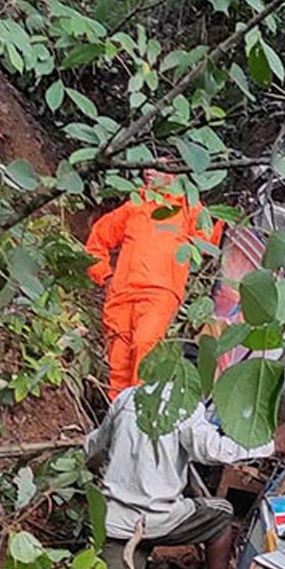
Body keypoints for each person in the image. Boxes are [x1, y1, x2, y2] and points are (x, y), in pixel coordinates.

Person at [84, 388, 285, 569]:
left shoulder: (128, 397)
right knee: (222, 516)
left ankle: (131, 568)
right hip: (157, 519)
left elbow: (95, 447)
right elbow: (212, 450)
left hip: (113, 522)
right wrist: (272, 445)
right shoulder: (185, 405)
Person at [85, 170, 224, 399]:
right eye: (147, 167)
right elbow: (98, 238)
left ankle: (136, 415)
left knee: (144, 346)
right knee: (117, 361)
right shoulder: (135, 205)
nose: (148, 172)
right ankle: (118, 418)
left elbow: (211, 240)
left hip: (160, 292)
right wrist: (104, 275)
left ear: (174, 173)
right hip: (121, 293)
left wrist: (228, 218)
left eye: (157, 167)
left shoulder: (188, 207)